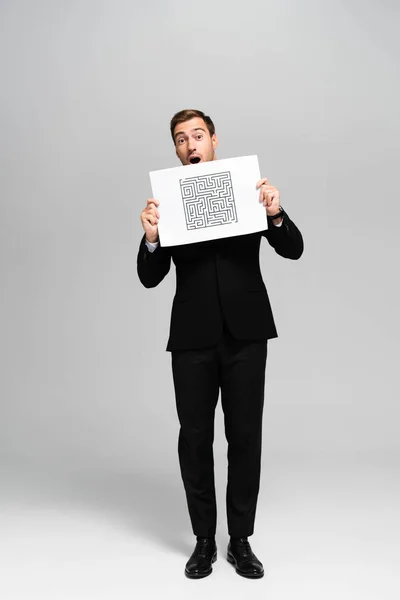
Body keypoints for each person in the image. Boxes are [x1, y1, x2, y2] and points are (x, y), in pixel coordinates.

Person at [137, 109, 304, 579]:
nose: (190, 145)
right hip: (192, 338)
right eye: (180, 139)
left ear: (213, 141)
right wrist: (151, 238)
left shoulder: (246, 190)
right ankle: (204, 541)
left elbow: (293, 248)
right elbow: (150, 278)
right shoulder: (168, 201)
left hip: (247, 333)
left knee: (245, 436)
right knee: (194, 439)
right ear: (175, 150)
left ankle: (241, 541)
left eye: (197, 136)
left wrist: (273, 211)